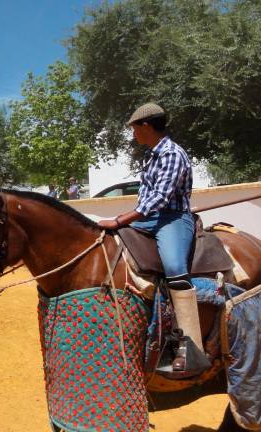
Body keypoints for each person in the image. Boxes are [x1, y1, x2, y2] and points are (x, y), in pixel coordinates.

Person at [97, 102, 202, 372]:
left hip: (172, 219)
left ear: (146, 126)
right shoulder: (151, 155)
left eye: (134, 129)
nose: (133, 134)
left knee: (175, 268)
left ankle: (188, 346)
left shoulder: (172, 154)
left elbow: (159, 198)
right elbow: (146, 198)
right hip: (148, 219)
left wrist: (121, 219)